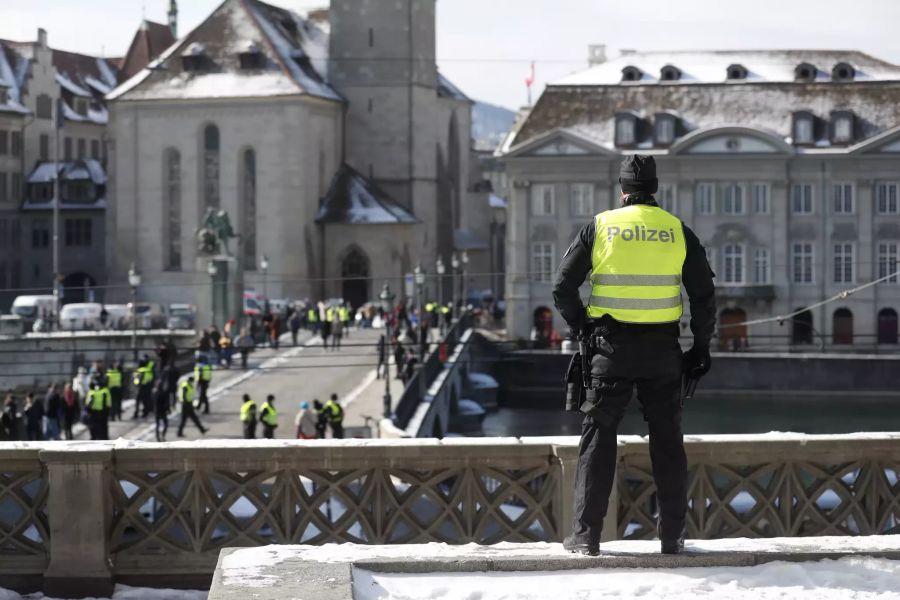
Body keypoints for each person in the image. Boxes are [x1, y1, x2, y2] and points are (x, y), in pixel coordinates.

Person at [553, 155, 716, 556]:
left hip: (610, 349)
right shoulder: (678, 230)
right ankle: (672, 537)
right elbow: (704, 296)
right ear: (655, 189)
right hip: (663, 351)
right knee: (667, 440)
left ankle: (587, 537)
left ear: (622, 189)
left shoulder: (602, 226)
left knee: (598, 437)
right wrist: (700, 346)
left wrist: (582, 326)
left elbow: (562, 287)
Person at [153, 376, 170, 442]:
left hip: (157, 411)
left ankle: (158, 437)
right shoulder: (164, 393)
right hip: (163, 411)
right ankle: (162, 435)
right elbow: (167, 403)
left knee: (158, 425)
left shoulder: (154, 392)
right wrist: (168, 409)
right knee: (165, 424)